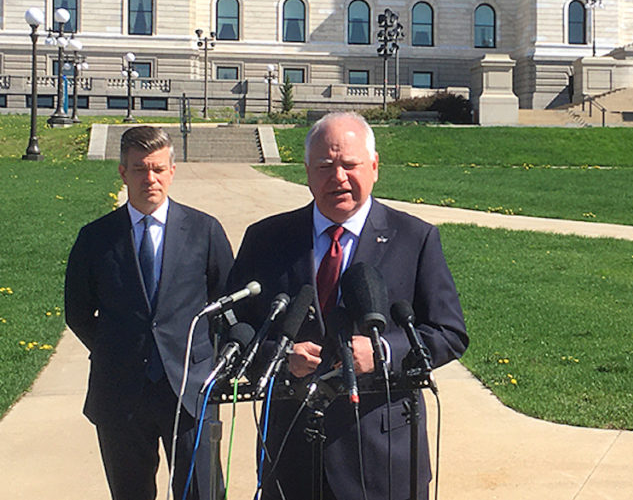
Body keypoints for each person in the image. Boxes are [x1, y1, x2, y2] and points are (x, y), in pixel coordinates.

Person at [228, 112, 469, 500]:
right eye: (325, 166)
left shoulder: (415, 238)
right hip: (291, 452)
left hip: (383, 455)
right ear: (306, 171)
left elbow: (449, 333)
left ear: (374, 167)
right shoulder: (266, 239)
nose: (338, 177)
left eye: (350, 165)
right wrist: (280, 355)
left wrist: (383, 352)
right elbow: (233, 330)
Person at [64, 126, 234, 500]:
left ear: (172, 170)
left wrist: (211, 361)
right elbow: (77, 312)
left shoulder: (204, 231)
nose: (150, 178)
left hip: (190, 390)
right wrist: (116, 347)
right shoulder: (95, 238)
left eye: (158, 168)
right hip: (121, 393)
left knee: (202, 493)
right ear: (123, 173)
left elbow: (229, 305)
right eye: (140, 169)